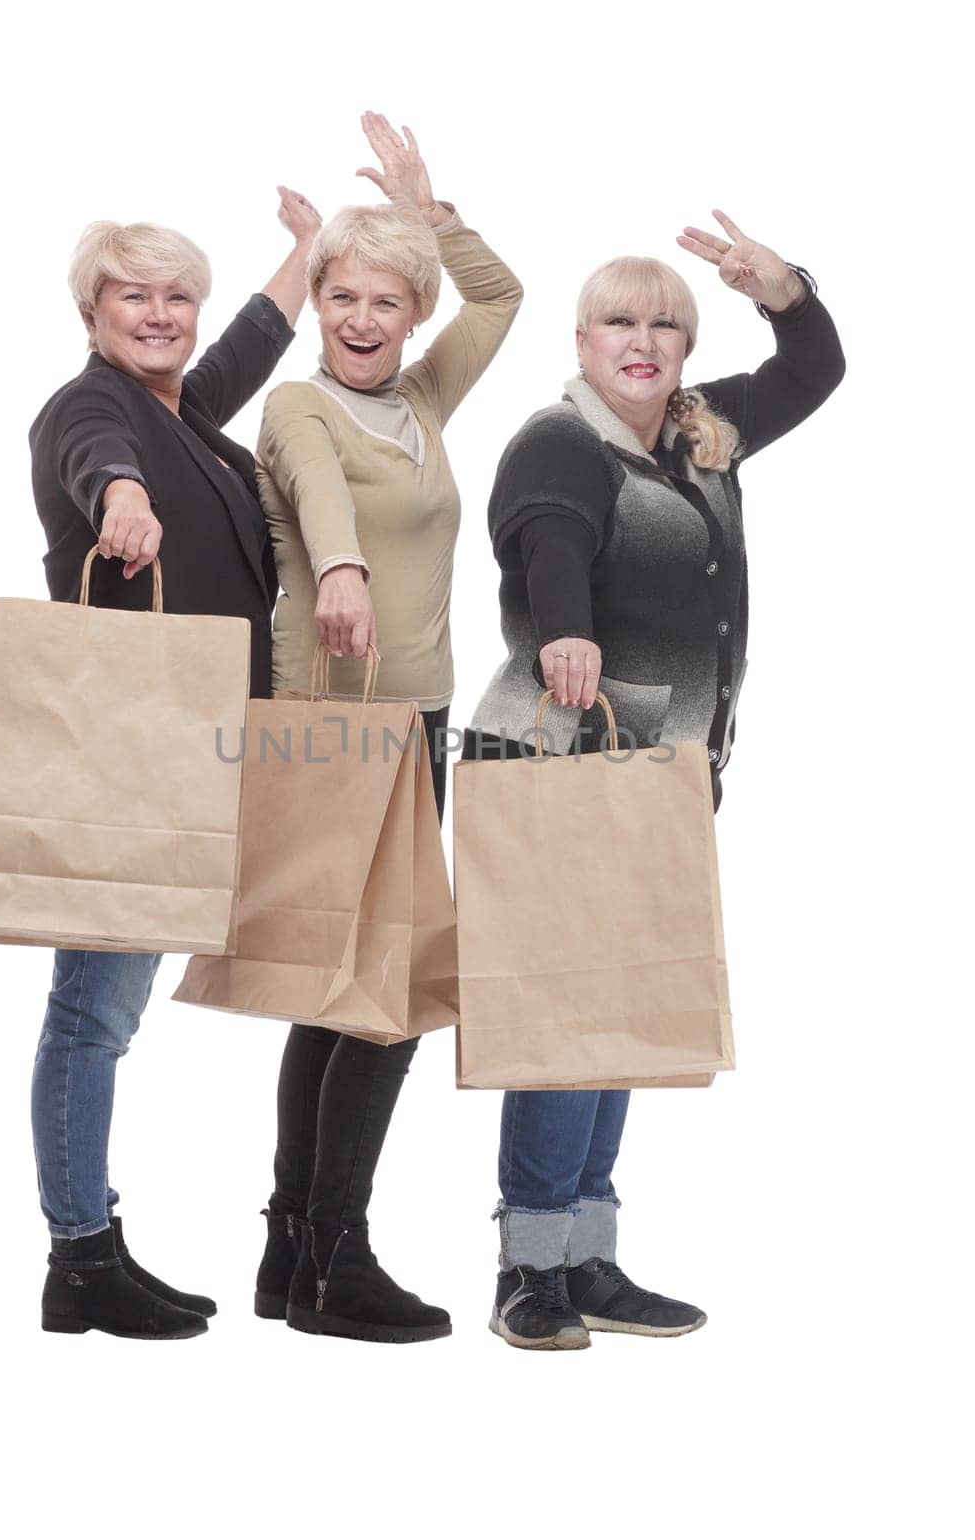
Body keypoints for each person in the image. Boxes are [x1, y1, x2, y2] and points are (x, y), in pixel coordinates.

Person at [463, 210, 846, 1349]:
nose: (642, 340)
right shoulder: (556, 442)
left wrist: (779, 287)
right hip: (558, 760)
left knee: (622, 1010)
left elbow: (815, 368)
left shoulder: (699, 431)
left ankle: (587, 1258)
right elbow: (547, 538)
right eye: (618, 321)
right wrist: (563, 634)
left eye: (663, 324)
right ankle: (526, 1268)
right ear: (580, 339)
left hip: (659, 767)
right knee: (566, 1017)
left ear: (682, 345)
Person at [28, 189, 322, 1338]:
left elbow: (251, 340)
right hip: (130, 757)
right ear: (90, 307)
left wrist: (300, 256)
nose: (158, 313)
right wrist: (124, 502)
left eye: (176, 295)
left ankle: (87, 1247)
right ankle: (79, 1255)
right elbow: (101, 459)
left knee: (107, 1008)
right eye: (132, 294)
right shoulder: (90, 410)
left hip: (197, 750)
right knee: (92, 1014)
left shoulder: (187, 410)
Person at [253, 112, 522, 1342]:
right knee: (383, 992)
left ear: (409, 311)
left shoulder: (418, 395)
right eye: (340, 296)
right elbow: (314, 496)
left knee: (344, 990)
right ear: (317, 304)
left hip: (415, 713)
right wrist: (344, 568)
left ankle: (290, 1250)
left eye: (383, 300)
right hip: (328, 715)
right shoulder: (300, 408)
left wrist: (427, 213)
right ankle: (334, 1258)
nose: (360, 320)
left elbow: (502, 297)